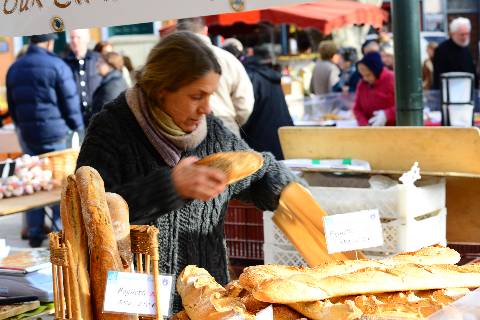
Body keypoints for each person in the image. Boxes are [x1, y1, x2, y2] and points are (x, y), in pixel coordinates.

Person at [76, 31, 297, 312]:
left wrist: (287, 188)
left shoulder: (213, 133)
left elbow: (256, 169)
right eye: (196, 96)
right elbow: (87, 214)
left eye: (210, 95)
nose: (206, 108)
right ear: (161, 89)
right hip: (137, 305)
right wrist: (169, 187)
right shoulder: (111, 129)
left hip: (209, 301)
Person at [6, 33, 84, 247]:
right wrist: (78, 127)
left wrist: (22, 126)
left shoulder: (15, 68)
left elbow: (12, 105)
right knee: (58, 183)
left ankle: (34, 232)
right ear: (50, 42)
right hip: (56, 134)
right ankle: (59, 232)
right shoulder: (57, 65)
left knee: (32, 182)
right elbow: (70, 103)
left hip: (29, 135)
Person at [176, 17, 254, 136]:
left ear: (178, 30)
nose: (207, 109)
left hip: (183, 131)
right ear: (206, 30)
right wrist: (230, 121)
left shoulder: (171, 61)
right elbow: (244, 104)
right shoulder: (228, 59)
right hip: (226, 127)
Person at [223, 43, 294, 160]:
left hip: (260, 146)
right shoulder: (268, 74)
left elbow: (245, 111)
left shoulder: (250, 76)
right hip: (281, 142)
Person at [63, 29, 102, 125]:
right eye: (72, 38)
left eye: (78, 38)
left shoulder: (98, 59)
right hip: (74, 118)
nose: (75, 41)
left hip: (97, 115)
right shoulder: (63, 63)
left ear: (87, 39)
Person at [353, 51, 396, 126]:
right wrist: (365, 124)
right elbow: (357, 109)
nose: (365, 78)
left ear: (376, 70)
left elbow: (406, 105)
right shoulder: (362, 84)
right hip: (371, 129)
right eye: (362, 75)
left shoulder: (393, 79)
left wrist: (387, 114)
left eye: (368, 75)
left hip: (394, 129)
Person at [433, 17, 477, 89]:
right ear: (453, 33)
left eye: (467, 34)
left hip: (468, 91)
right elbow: (438, 77)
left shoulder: (466, 48)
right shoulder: (441, 50)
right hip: (451, 92)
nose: (465, 37)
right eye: (462, 34)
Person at [87, 52, 128, 123]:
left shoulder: (113, 86)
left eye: (101, 62)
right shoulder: (112, 81)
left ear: (110, 65)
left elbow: (106, 115)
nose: (97, 65)